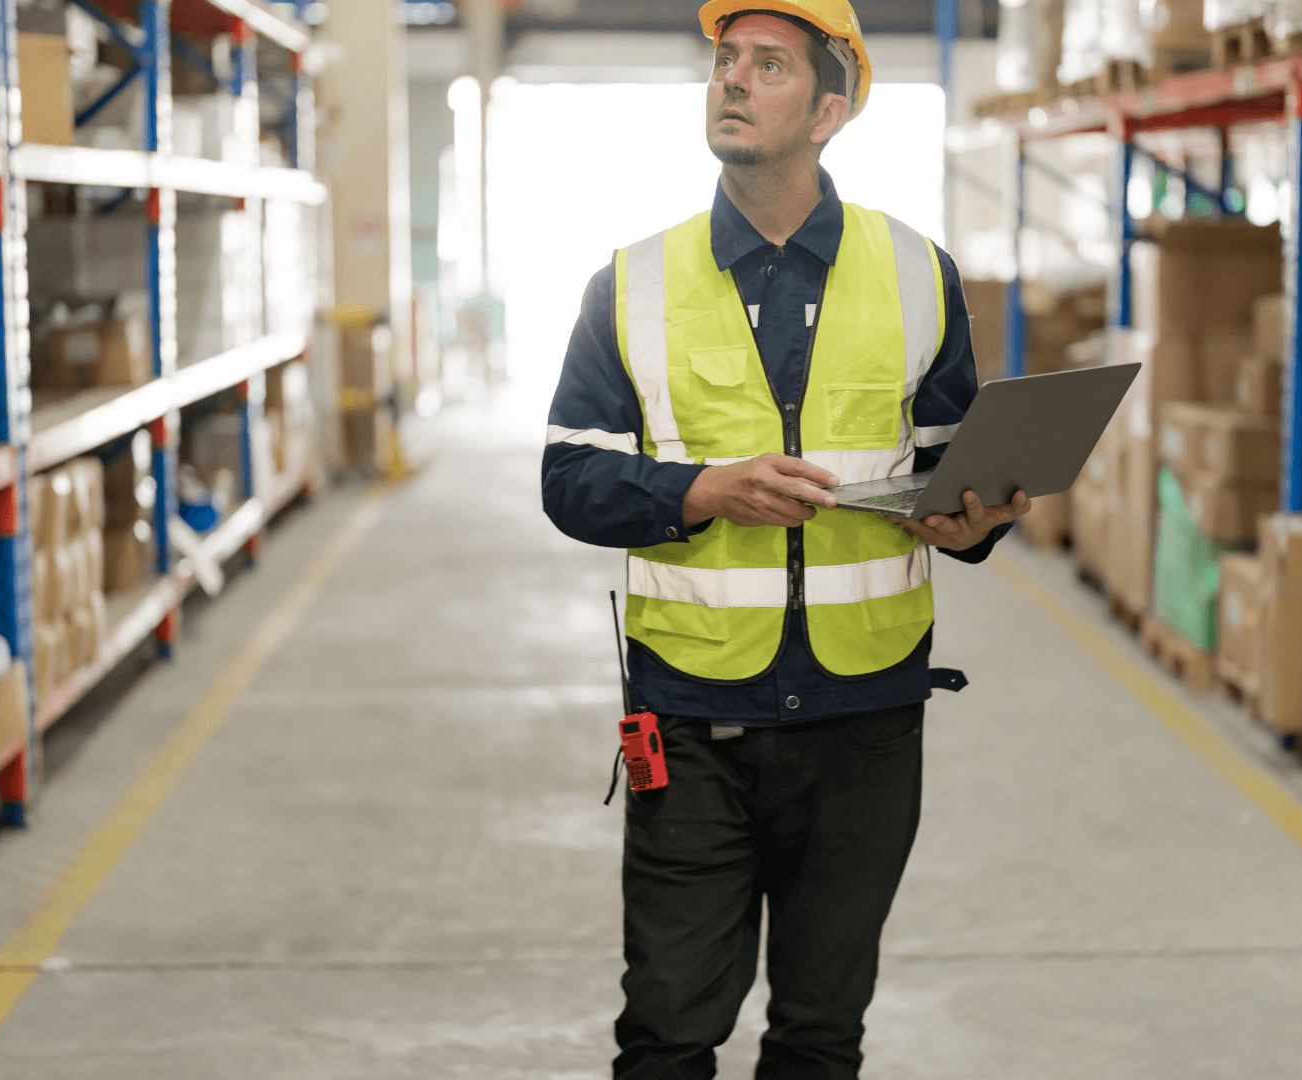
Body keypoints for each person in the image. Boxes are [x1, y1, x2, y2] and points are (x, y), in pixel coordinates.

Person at [541, 2, 1030, 1075]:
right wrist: (704, 490)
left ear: (829, 110)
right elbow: (569, 481)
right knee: (667, 1033)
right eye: (725, 61)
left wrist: (975, 521)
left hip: (864, 719)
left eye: (768, 65)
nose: (732, 81)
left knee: (819, 1036)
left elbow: (953, 473)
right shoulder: (628, 284)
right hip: (693, 713)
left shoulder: (917, 271)